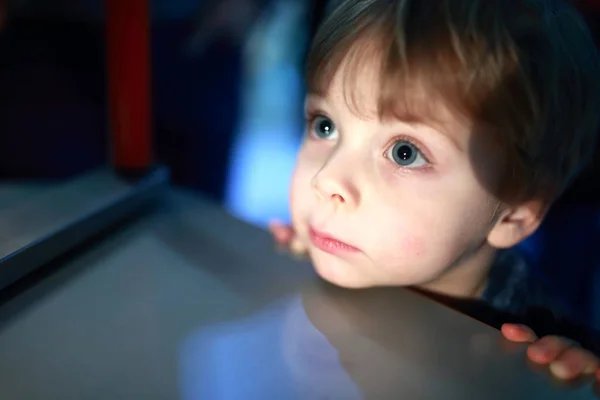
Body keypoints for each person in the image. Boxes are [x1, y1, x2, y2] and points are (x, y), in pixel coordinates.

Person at [269, 0, 600, 382]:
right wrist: (307, 252)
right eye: (325, 126)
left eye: (404, 153)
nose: (326, 179)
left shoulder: (533, 353)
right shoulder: (367, 256)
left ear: (513, 214)